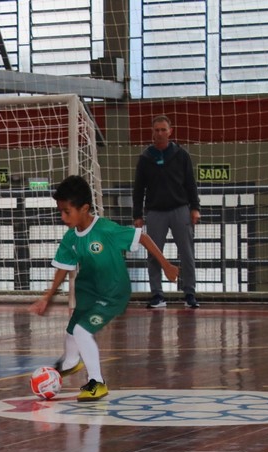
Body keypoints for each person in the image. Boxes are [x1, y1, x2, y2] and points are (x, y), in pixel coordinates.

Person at [30, 175, 179, 402]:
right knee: (71, 330)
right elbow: (62, 269)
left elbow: (143, 237)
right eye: (60, 212)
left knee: (81, 331)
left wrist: (166, 265)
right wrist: (47, 297)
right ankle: (70, 362)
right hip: (88, 293)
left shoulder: (106, 230)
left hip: (113, 293)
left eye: (67, 212)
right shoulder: (70, 238)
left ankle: (97, 383)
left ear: (84, 208)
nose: (62, 217)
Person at [132, 115, 201, 309]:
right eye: (157, 130)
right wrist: (137, 215)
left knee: (187, 252)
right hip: (155, 212)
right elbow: (139, 189)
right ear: (152, 132)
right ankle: (157, 294)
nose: (160, 133)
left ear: (170, 131)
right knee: (154, 254)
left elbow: (190, 183)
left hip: (180, 209)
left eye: (163, 129)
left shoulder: (181, 155)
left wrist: (195, 208)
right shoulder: (145, 158)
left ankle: (189, 293)